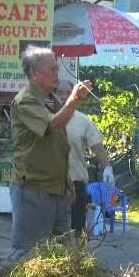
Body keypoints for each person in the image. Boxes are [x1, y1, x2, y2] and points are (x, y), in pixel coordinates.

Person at [9, 47, 92, 260]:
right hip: (34, 190)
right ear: (34, 74)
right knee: (29, 256)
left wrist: (67, 182)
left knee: (64, 255)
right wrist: (73, 99)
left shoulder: (52, 100)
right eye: (52, 69)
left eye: (57, 68)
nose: (57, 73)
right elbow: (53, 125)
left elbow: (58, 146)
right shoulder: (26, 100)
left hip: (57, 190)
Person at [55, 79, 114, 236]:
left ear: (74, 95)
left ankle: (78, 258)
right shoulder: (46, 117)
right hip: (50, 183)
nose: (63, 96)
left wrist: (107, 168)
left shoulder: (83, 120)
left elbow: (97, 146)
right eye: (59, 92)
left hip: (76, 181)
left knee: (77, 227)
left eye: (67, 93)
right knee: (53, 231)